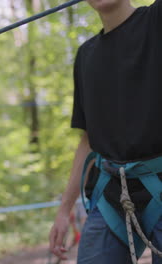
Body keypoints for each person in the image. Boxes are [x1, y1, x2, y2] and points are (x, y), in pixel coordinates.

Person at [49, 0, 162, 263]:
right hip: (109, 195)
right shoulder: (86, 55)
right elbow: (88, 140)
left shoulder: (156, 22)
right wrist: (64, 211)